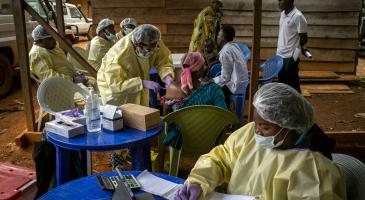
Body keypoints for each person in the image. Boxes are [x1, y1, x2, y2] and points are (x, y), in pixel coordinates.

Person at [174, 83, 346, 200]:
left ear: (289, 125)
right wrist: (198, 181)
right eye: (256, 123)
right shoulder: (249, 134)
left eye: (264, 127)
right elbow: (221, 157)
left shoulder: (315, 169)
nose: (256, 130)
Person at [97, 24, 175, 106]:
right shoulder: (119, 55)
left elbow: (163, 60)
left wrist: (167, 75)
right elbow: (115, 85)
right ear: (137, 44)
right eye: (148, 50)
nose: (151, 52)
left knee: (140, 109)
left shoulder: (154, 41)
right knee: (125, 114)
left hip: (136, 83)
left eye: (154, 48)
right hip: (115, 92)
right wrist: (142, 83)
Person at [162, 52, 227, 149]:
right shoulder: (213, 89)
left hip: (180, 141)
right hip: (209, 140)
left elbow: (167, 116)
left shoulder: (172, 88)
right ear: (199, 70)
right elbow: (224, 115)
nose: (205, 68)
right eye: (203, 65)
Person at [277, 0, 308, 93]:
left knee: (292, 85)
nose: (279, 3)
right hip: (280, 55)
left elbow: (304, 38)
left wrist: (299, 49)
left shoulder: (298, 16)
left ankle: (298, 105)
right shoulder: (282, 14)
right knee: (282, 84)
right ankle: (286, 106)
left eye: (281, 0)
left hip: (291, 56)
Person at [213, 25, 249, 106]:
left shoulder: (225, 52)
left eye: (219, 35)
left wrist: (212, 81)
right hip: (242, 83)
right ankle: (226, 109)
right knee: (216, 83)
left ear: (223, 38)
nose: (217, 37)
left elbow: (225, 78)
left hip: (236, 86)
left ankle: (223, 111)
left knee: (212, 89)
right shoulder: (234, 46)